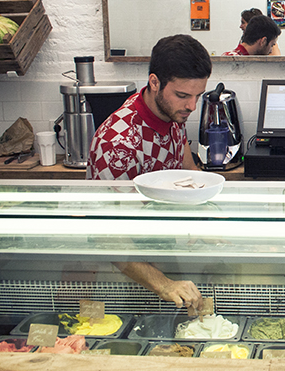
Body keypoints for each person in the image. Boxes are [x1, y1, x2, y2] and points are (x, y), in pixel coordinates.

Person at [87, 33, 212, 309]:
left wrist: (212, 222)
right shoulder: (118, 142)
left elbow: (189, 169)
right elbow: (106, 236)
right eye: (183, 95)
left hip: (161, 249)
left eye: (197, 96)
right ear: (154, 82)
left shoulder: (173, 112)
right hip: (126, 272)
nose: (192, 106)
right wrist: (164, 284)